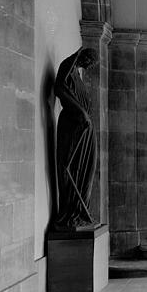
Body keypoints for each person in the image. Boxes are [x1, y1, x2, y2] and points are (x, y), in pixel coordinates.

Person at [53, 47, 98, 230]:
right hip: (73, 126)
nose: (88, 66)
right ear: (83, 57)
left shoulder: (77, 74)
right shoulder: (67, 66)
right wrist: (81, 114)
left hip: (85, 128)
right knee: (73, 168)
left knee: (88, 168)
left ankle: (81, 211)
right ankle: (71, 212)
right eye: (89, 62)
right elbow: (60, 89)